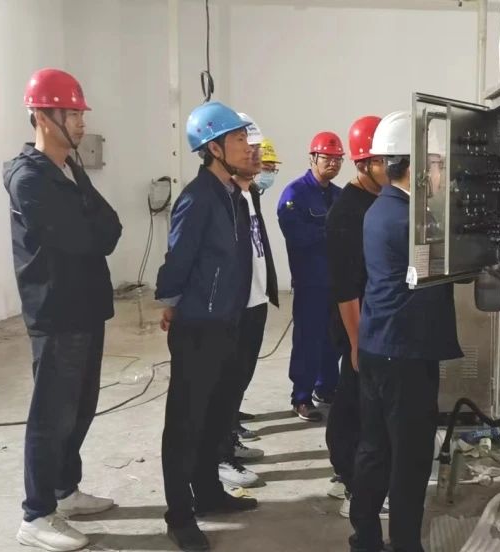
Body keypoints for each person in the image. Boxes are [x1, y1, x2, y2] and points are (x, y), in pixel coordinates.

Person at [5, 68, 122, 551]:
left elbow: (110, 229)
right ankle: (36, 515)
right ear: (41, 116)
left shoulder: (70, 169)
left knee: (80, 408)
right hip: (56, 312)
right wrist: (91, 229)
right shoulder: (29, 179)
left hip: (86, 306)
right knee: (51, 415)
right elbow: (80, 239)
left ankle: (64, 489)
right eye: (70, 113)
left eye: (79, 113)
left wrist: (91, 227)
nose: (80, 122)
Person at [349, 111, 463, 552]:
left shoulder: (382, 208)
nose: (440, 174)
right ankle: (405, 543)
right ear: (413, 167)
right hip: (406, 354)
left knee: (375, 449)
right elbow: (453, 266)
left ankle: (364, 536)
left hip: (379, 346)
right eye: (436, 164)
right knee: (410, 458)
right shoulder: (411, 221)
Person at [155, 101, 258, 552]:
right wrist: (171, 302)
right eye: (237, 138)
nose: (247, 145)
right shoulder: (197, 198)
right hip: (198, 328)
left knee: (216, 416)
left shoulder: (232, 196)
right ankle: (179, 515)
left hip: (227, 323)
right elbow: (178, 258)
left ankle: (209, 492)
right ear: (213, 148)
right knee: (186, 423)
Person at [325, 116, 389, 519]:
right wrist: (356, 342)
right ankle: (347, 476)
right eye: (384, 161)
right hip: (356, 322)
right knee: (353, 400)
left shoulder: (378, 199)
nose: (392, 168)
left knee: (367, 401)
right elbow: (345, 287)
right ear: (363, 164)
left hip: (376, 321)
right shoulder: (346, 212)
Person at [216, 113, 280, 490]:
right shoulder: (217, 197)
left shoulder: (249, 193)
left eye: (256, 147)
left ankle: (229, 439)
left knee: (239, 379)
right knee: (224, 384)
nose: (256, 154)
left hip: (255, 300)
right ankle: (219, 457)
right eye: (247, 146)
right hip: (233, 306)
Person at [277, 132, 344, 422]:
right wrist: (331, 231)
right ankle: (301, 397)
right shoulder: (295, 194)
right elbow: (296, 235)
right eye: (327, 158)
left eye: (338, 159)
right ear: (312, 158)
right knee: (309, 339)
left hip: (336, 281)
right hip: (310, 281)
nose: (333, 163)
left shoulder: (339, 195)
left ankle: (326, 388)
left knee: (334, 339)